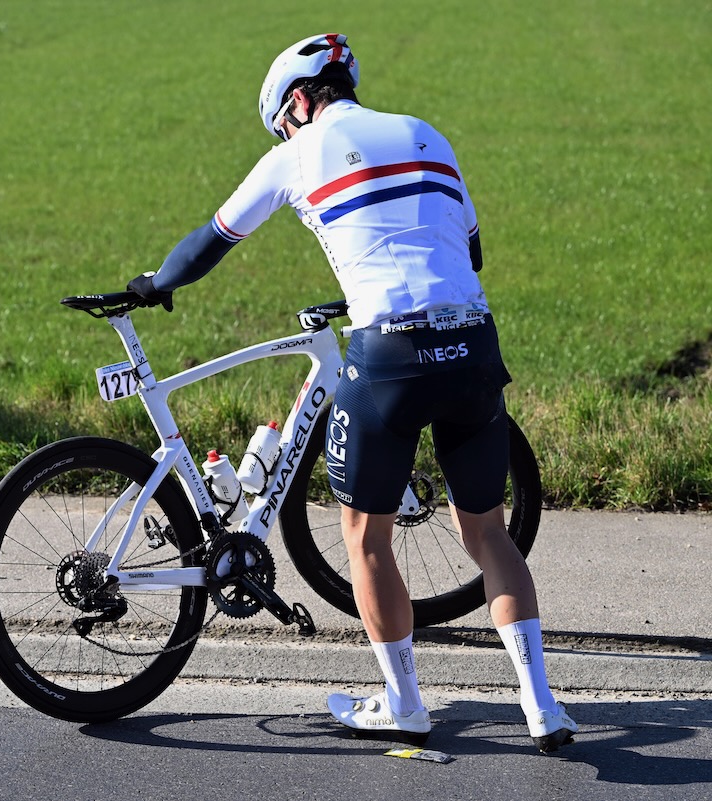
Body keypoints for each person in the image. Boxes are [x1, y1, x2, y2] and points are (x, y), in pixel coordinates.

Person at [126, 34, 577, 753]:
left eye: (283, 118)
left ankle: (403, 701)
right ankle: (543, 704)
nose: (284, 130)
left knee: (366, 539)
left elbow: (210, 242)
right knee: (488, 531)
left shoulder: (295, 154)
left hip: (390, 351)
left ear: (299, 101)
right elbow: (471, 251)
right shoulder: (427, 135)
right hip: (473, 342)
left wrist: (153, 285)